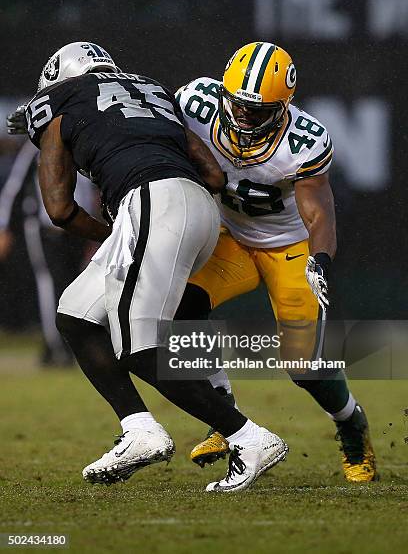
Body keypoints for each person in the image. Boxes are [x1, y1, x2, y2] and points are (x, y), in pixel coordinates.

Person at [7, 41, 288, 493]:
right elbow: (214, 175)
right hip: (196, 209)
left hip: (151, 204)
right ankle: (140, 429)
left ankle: (249, 436)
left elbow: (58, 209)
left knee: (137, 343)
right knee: (77, 316)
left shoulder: (53, 101)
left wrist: (111, 230)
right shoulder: (150, 89)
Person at [174, 41, 377, 483]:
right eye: (239, 104)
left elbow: (319, 210)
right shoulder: (195, 102)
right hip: (230, 238)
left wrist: (320, 260)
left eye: (258, 109)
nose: (245, 116)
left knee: (303, 366)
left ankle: (350, 422)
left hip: (289, 248)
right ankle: (226, 419)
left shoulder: (302, 140)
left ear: (284, 105)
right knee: (179, 307)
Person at [0, 139, 92, 365]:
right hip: (46, 228)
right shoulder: (39, 144)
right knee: (50, 284)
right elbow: (14, 186)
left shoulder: (86, 139)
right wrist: (4, 227)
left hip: (79, 229)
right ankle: (57, 346)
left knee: (75, 287)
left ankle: (74, 344)